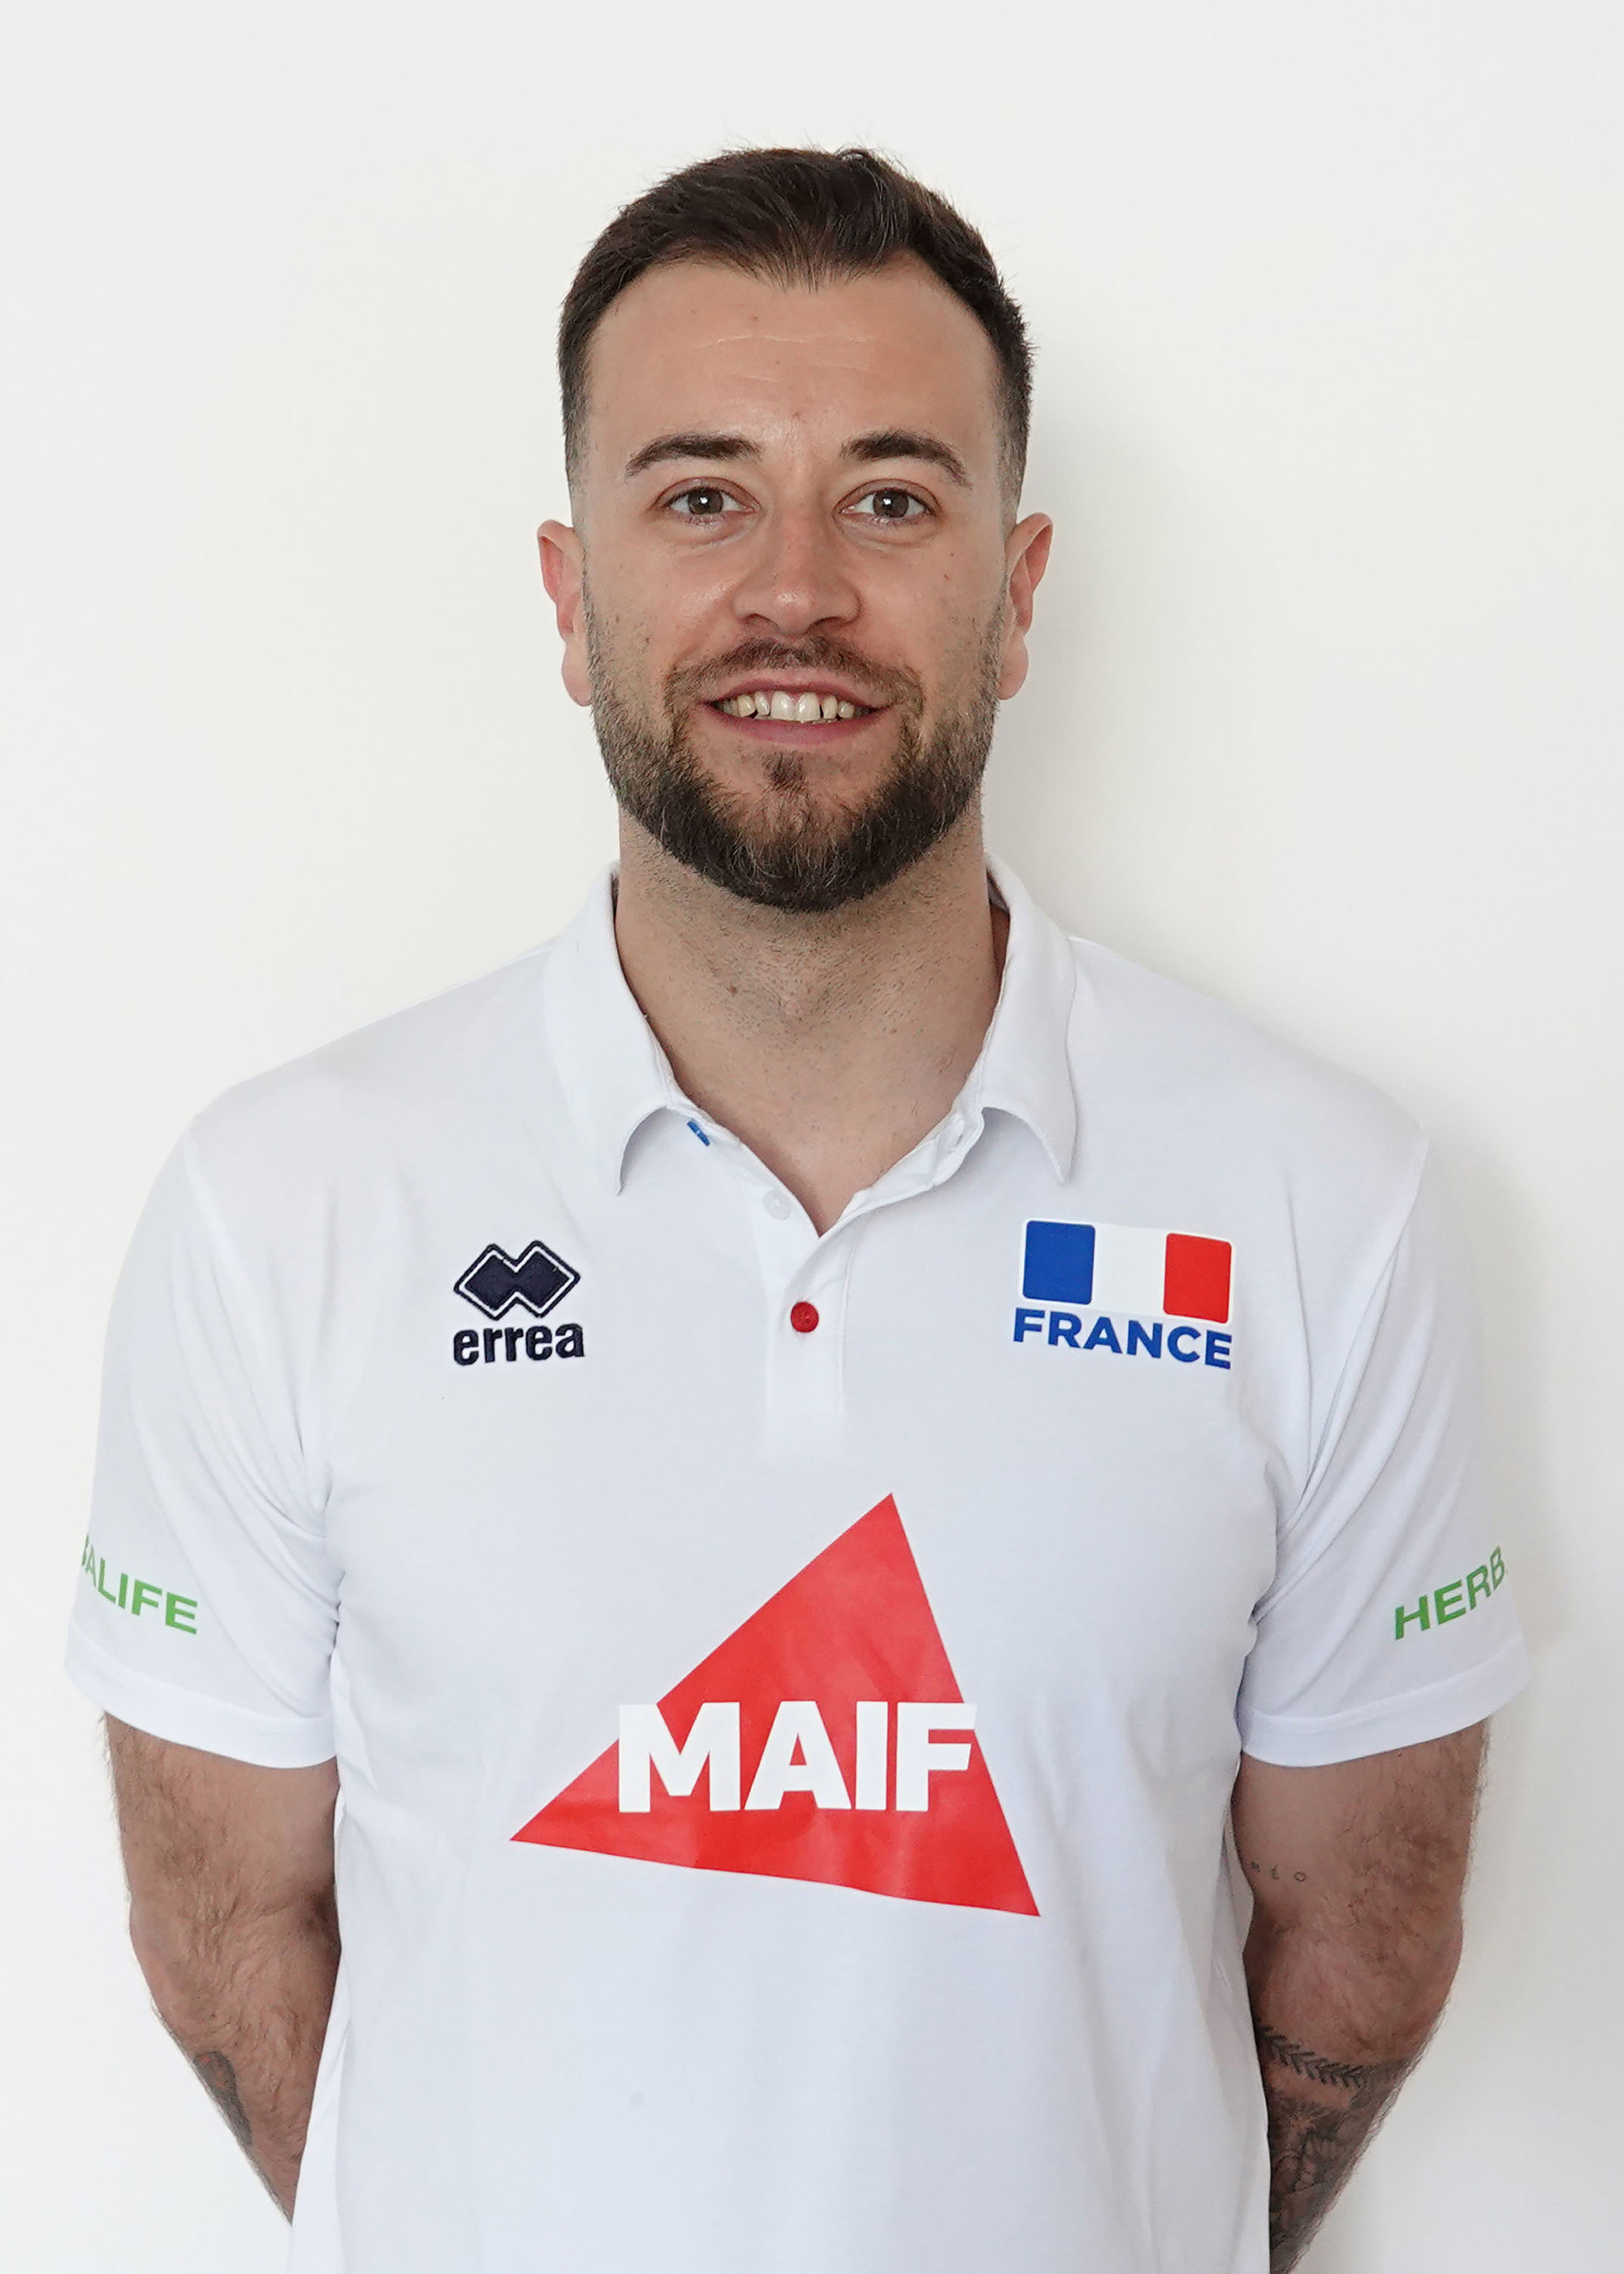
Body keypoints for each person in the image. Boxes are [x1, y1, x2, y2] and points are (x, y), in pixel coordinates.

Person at [69, 147, 1527, 2274]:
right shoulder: (282, 1207)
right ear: (568, 596)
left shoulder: (1326, 1201)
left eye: (893, 499)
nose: (796, 591)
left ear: (1017, 595)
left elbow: (1365, 1939)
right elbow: (222, 1926)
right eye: (700, 496)